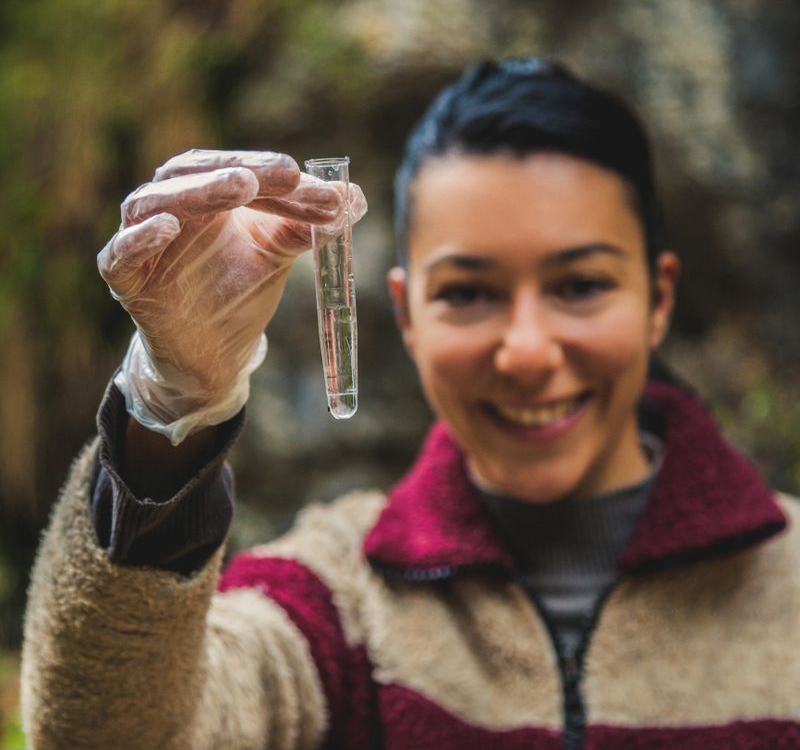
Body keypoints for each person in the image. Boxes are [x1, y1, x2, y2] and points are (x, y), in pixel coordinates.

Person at [20, 58, 800, 750]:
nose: (526, 350)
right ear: (407, 315)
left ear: (658, 298)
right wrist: (173, 404)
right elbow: (112, 734)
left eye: (580, 285)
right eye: (467, 292)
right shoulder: (342, 600)